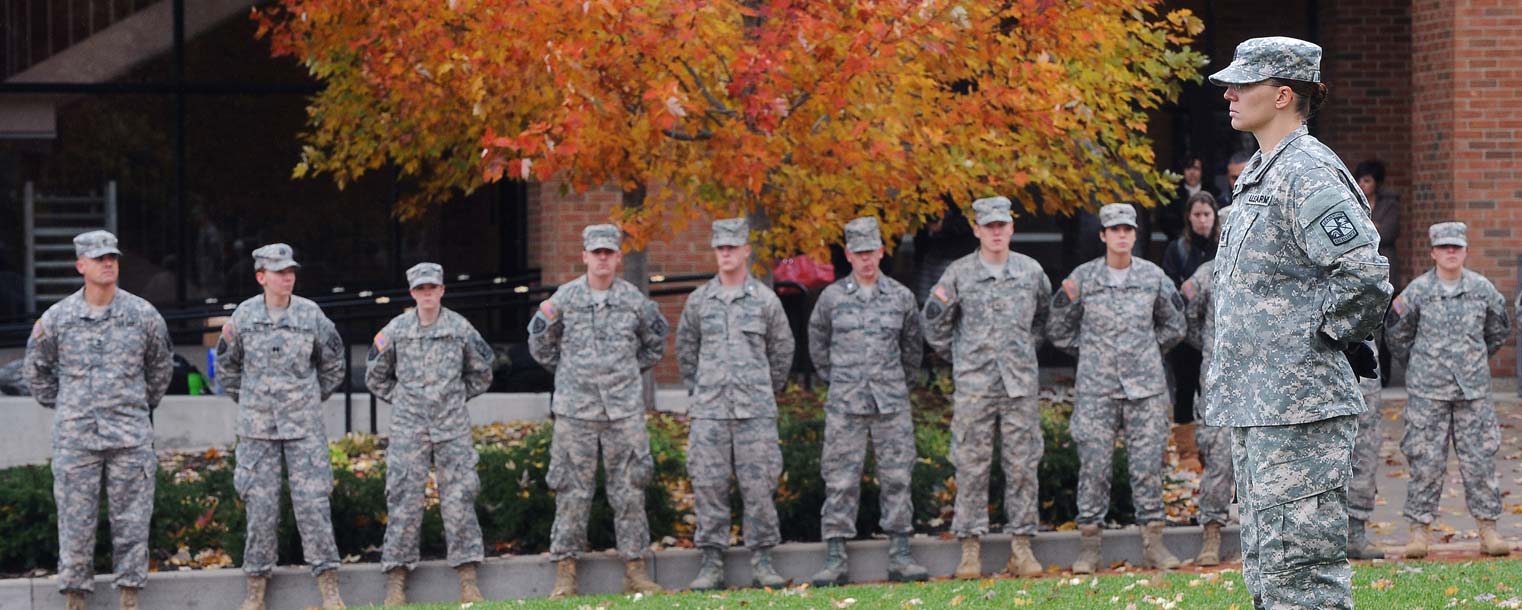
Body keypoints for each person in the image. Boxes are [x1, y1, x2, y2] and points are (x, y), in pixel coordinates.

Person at [1207, 37, 1391, 609]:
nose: (1230, 94)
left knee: (1302, 572)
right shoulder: (1264, 170)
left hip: (1298, 404)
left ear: (1284, 94)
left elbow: (1364, 274)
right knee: (1270, 567)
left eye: (1244, 84)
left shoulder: (1308, 172)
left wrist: (1325, 339)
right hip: (1261, 402)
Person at [24, 230, 173, 610]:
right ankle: (75, 598)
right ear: (80, 266)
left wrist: (138, 404)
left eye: (112, 257)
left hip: (130, 438)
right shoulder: (58, 318)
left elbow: (160, 367)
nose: (109, 263)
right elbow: (36, 371)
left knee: (133, 522)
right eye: (99, 258)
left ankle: (129, 597)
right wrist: (69, 406)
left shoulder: (142, 315)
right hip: (77, 439)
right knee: (75, 523)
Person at [528, 225, 667, 598]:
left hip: (623, 412)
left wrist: (621, 373)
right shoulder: (565, 298)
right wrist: (571, 372)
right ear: (585, 255)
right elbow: (540, 344)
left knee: (631, 491)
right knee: (571, 491)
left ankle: (635, 571)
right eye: (597, 252)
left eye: (610, 252)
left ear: (619, 257)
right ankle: (565, 574)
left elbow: (654, 345)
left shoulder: (635, 300)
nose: (603, 258)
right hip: (576, 412)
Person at [1048, 203, 1186, 574]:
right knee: (1094, 468)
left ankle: (1154, 545)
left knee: (1147, 469)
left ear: (1135, 235)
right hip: (1097, 390)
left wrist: (1144, 349)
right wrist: (1091, 352)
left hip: (1145, 391)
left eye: (1128, 230)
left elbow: (1175, 325)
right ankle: (1090, 549)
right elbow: (1058, 325)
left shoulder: (1154, 277)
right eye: (1115, 230)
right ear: (1103, 236)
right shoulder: (1084, 278)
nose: (1122, 236)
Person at [922, 196, 1051, 579]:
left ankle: (1022, 547)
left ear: (1011, 228)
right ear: (977, 229)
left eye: (1002, 225)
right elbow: (935, 327)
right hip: (975, 388)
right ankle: (970, 549)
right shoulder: (958, 274)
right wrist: (963, 358)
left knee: (1023, 466)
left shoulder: (1031, 272)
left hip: (1019, 388)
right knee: (970, 467)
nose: (996, 232)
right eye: (988, 226)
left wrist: (1023, 352)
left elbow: (1042, 320)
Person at [216, 243, 349, 610]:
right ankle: (256, 590)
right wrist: (252, 402)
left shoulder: (311, 315)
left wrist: (306, 399)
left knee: (314, 508)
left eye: (290, 271)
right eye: (279, 272)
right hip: (258, 432)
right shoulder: (242, 317)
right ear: (262, 277)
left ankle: (329, 589)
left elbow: (333, 364)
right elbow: (227, 368)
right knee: (260, 510)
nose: (287, 276)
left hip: (303, 429)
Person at [807, 217, 929, 586]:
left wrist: (896, 383)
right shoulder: (831, 298)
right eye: (858, 253)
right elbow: (818, 343)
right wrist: (839, 379)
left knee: (897, 477)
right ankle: (835, 557)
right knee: (840, 479)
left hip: (891, 403)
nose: (865, 260)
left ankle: (901, 554)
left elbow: (912, 349)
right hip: (846, 404)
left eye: (871, 252)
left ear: (881, 251)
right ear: (848, 255)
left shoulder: (901, 297)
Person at [676, 217, 796, 590]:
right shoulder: (699, 302)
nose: (726, 253)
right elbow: (686, 351)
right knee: (709, 485)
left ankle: (762, 559)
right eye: (720, 248)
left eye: (732, 247)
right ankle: (711, 561)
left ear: (746, 250)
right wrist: (702, 392)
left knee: (759, 487)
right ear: (715, 251)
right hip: (710, 412)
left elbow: (782, 350)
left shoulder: (764, 301)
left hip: (755, 412)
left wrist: (761, 389)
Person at [366, 263, 496, 605]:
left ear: (441, 290)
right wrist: (406, 400)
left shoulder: (460, 328)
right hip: (409, 430)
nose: (427, 294)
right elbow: (375, 376)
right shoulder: (396, 330)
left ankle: (468, 579)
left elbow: (482, 372)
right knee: (404, 501)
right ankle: (396, 580)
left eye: (432, 288)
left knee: (459, 500)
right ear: (412, 293)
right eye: (420, 289)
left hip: (452, 428)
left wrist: (452, 398)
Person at [1386, 222, 1512, 559]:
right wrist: (1420, 364)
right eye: (1444, 248)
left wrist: (1473, 360)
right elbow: (1397, 335)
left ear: (1466, 251)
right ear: (1433, 253)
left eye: (1456, 247)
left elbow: (1498, 330)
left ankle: (1488, 529)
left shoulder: (1483, 290)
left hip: (1473, 392)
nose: (1451, 253)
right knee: (1425, 462)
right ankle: (1419, 532)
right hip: (1429, 391)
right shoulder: (1417, 292)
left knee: (1480, 462)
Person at [1180, 258, 1231, 566]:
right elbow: (1185, 317)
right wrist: (1210, 343)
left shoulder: (1275, 261)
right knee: (1218, 458)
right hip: (1219, 383)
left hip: (1266, 381)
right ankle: (1212, 533)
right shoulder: (1208, 271)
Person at [1161, 192, 1219, 424]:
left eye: (1207, 214)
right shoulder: (1178, 250)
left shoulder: (1223, 248)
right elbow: (1171, 293)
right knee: (1184, 392)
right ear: (1188, 217)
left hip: (1215, 335)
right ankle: (1185, 454)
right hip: (1186, 335)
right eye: (1197, 215)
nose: (1202, 220)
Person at [1161, 157, 1219, 242]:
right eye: (1188, 168)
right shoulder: (1172, 194)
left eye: (1196, 168)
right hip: (1179, 241)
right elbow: (1166, 221)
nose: (1192, 172)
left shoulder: (1214, 192)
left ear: (1202, 171)